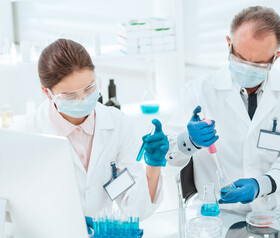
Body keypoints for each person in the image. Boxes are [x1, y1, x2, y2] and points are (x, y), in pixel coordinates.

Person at [166, 6, 280, 212]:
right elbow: (169, 156)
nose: (247, 67)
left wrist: (261, 185)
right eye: (240, 58)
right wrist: (189, 141)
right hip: (218, 213)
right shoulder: (198, 91)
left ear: (276, 56)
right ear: (229, 44)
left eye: (259, 63)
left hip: (276, 211)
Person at [11, 39, 168, 226]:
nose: (83, 99)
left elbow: (135, 209)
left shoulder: (117, 125)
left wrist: (153, 166)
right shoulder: (25, 134)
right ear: (47, 92)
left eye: (89, 87)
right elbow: (15, 211)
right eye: (70, 96)